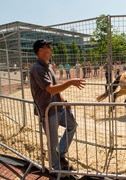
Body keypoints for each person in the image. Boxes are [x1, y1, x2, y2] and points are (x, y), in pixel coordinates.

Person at [29, 39, 85, 170]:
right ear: (40, 50)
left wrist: (64, 101)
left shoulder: (48, 66)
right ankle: (55, 167)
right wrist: (71, 82)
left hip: (58, 107)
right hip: (48, 111)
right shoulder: (37, 68)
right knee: (52, 141)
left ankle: (61, 153)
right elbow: (51, 89)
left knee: (72, 126)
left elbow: (55, 88)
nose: (51, 49)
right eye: (48, 46)